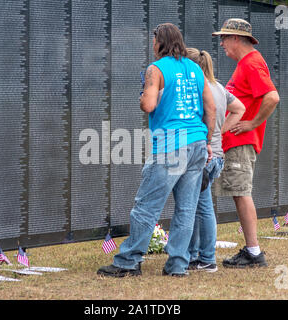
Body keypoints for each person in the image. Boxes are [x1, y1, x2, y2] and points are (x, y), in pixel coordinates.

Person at [97, 23, 217, 277]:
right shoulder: (196, 68)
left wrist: (142, 94)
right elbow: (211, 108)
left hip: (171, 146)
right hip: (197, 142)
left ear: (160, 42)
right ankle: (178, 265)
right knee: (186, 208)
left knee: (146, 206)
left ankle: (128, 262)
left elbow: (149, 105)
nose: (152, 46)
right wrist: (206, 140)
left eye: (153, 41)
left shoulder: (156, 69)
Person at [212, 18, 280, 268]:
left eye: (224, 38)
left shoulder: (251, 63)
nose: (221, 44)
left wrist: (251, 124)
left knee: (241, 193)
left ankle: (253, 252)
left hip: (242, 141)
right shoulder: (247, 63)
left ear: (236, 39)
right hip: (236, 141)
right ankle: (251, 250)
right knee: (238, 193)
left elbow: (272, 97)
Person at [185, 48, 245, 272]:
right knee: (200, 205)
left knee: (198, 207)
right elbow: (239, 108)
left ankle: (204, 257)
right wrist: (222, 130)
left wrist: (213, 134)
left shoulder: (198, 88)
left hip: (205, 153)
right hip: (217, 154)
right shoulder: (219, 87)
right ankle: (198, 256)